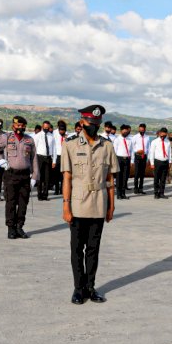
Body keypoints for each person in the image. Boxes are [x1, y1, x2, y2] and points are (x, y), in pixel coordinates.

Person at [61, 104, 119, 305]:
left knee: (94, 249)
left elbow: (110, 179)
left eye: (97, 123)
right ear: (81, 123)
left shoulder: (107, 146)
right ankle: (78, 288)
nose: (93, 126)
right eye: (90, 123)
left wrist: (111, 206)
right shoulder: (70, 145)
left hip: (99, 204)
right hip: (77, 205)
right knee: (77, 249)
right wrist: (66, 206)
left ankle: (90, 287)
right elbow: (67, 178)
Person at [2, 116, 38, 239]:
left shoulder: (29, 140)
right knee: (11, 202)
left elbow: (34, 158)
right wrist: (0, 160)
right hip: (11, 175)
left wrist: (35, 176)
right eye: (18, 125)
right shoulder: (6, 138)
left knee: (23, 203)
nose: (20, 128)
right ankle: (11, 228)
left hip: (24, 176)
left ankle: (19, 227)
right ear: (13, 126)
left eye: (22, 126)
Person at [34, 120, 56, 201]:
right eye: (45, 127)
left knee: (47, 178)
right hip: (39, 158)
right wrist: (34, 160)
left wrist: (54, 161)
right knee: (39, 177)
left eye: (47, 127)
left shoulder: (51, 136)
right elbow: (34, 148)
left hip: (48, 158)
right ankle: (39, 195)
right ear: (42, 127)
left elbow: (54, 149)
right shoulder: (38, 136)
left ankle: (45, 195)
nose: (46, 129)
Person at [149, 127, 172, 199]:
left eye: (165, 134)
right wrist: (152, 163)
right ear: (159, 133)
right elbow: (151, 153)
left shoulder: (168, 142)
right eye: (162, 134)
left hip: (165, 161)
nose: (163, 135)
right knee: (156, 178)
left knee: (163, 179)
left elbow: (169, 152)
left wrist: (170, 161)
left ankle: (162, 193)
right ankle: (156, 193)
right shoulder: (154, 142)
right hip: (157, 162)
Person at [113, 124, 133, 200]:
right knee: (119, 177)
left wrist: (132, 160)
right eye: (124, 130)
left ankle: (123, 193)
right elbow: (114, 151)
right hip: (119, 159)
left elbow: (131, 151)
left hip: (127, 159)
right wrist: (114, 161)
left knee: (125, 177)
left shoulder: (129, 140)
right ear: (121, 131)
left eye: (126, 130)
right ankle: (118, 194)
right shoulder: (117, 139)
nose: (125, 131)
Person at [130, 123, 150, 195]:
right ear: (139, 129)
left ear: (145, 129)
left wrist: (148, 158)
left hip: (144, 157)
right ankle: (135, 188)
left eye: (143, 129)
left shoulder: (147, 137)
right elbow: (131, 148)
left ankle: (140, 188)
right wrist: (135, 153)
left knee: (142, 173)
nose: (142, 130)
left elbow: (148, 148)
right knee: (136, 173)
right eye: (140, 129)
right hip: (137, 156)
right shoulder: (135, 137)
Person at [53, 120, 69, 196]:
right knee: (56, 174)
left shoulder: (67, 135)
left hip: (64, 156)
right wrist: (54, 159)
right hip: (57, 156)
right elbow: (54, 146)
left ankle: (62, 189)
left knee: (63, 174)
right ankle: (56, 189)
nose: (62, 131)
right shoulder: (55, 134)